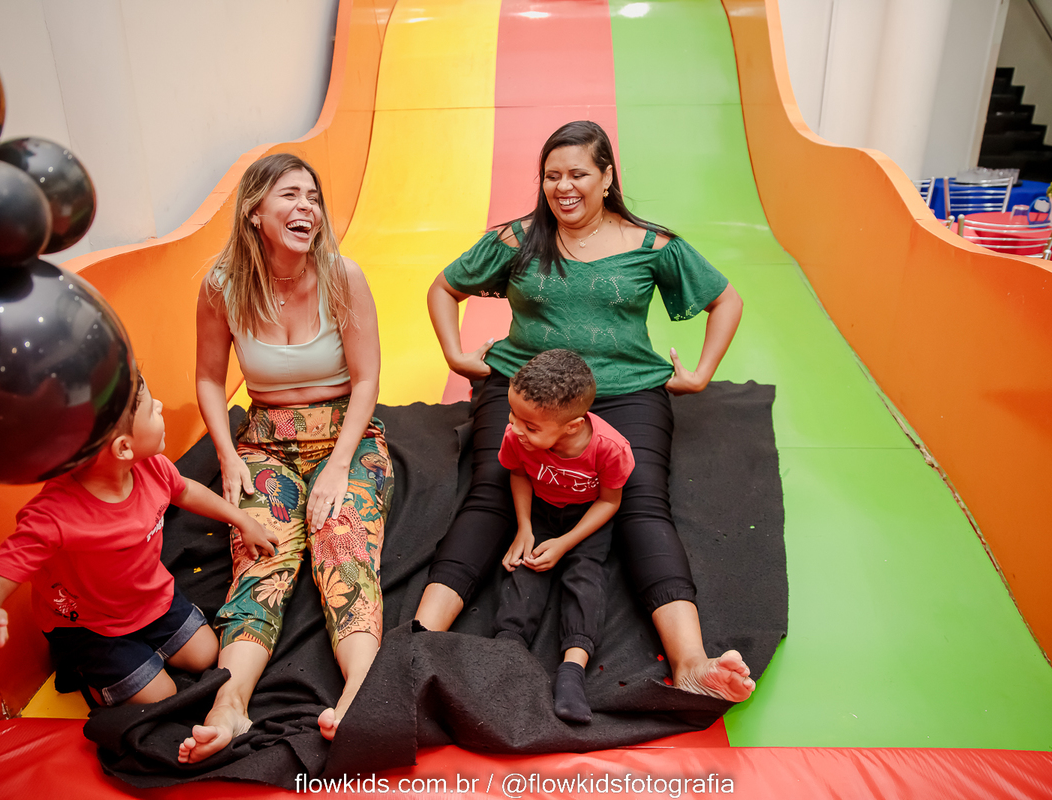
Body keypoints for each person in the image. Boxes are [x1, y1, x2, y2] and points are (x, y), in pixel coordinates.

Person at [418, 120, 756, 702]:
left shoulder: (652, 246)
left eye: (577, 174)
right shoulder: (516, 240)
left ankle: (691, 664)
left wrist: (700, 373)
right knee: (490, 492)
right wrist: (455, 355)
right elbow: (443, 288)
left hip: (625, 390)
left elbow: (726, 298)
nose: (563, 187)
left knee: (642, 504)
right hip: (525, 388)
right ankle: (417, 640)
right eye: (552, 176)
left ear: (606, 177)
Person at [189, 153, 391, 759]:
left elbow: (367, 378)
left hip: (345, 434)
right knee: (260, 555)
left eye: (313, 197)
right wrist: (228, 455)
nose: (308, 208)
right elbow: (207, 378)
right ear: (255, 211)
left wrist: (339, 466)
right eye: (290, 195)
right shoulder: (221, 285)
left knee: (341, 540)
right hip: (264, 440)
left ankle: (360, 690)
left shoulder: (342, 275)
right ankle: (230, 704)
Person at [0, 374, 278, 708]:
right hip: (91, 626)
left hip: (148, 597)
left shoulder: (150, 466)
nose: (160, 406)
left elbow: (186, 490)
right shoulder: (52, 516)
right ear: (123, 447)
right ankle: (88, 671)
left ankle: (140, 654)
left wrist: (242, 520)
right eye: (150, 409)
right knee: (160, 696)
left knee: (205, 654)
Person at [495, 349, 634, 723]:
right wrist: (524, 528)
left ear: (571, 426)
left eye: (530, 426)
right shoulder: (517, 437)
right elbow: (519, 474)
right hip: (541, 513)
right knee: (524, 574)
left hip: (586, 520)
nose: (515, 429)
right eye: (512, 415)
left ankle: (572, 671)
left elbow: (609, 502)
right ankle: (506, 652)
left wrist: (566, 543)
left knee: (585, 578)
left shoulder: (610, 449)